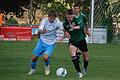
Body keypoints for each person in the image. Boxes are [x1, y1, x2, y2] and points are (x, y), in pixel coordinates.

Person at [28, 9, 63, 75]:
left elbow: (64, 29)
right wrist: (42, 32)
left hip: (50, 43)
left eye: (53, 18)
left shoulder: (58, 22)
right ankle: (32, 70)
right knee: (34, 58)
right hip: (42, 41)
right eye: (50, 18)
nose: (52, 19)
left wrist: (62, 37)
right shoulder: (44, 21)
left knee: (45, 57)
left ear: (55, 18)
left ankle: (47, 67)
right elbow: (39, 30)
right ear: (48, 17)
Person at [62, 9, 89, 78]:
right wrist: (63, 37)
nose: (70, 18)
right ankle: (79, 72)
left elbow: (81, 26)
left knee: (86, 58)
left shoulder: (77, 19)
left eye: (71, 17)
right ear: (66, 16)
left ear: (73, 15)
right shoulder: (65, 23)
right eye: (68, 17)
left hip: (81, 39)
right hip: (73, 41)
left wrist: (74, 27)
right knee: (73, 55)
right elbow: (66, 32)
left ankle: (85, 67)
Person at [73, 4, 90, 75]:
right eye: (74, 9)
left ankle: (85, 67)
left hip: (82, 38)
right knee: (75, 52)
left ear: (79, 9)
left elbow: (85, 24)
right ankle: (77, 57)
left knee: (86, 58)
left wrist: (87, 31)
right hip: (74, 38)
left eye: (77, 9)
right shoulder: (71, 17)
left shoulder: (83, 16)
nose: (75, 10)